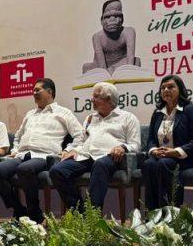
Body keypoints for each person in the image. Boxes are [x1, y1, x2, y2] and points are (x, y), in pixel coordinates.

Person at [0, 78, 84, 223]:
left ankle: (34, 213)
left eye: (37, 90)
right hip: (22, 155)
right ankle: (20, 210)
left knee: (25, 169)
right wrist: (15, 149)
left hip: (44, 156)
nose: (34, 93)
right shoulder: (30, 114)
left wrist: (69, 149)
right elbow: (17, 136)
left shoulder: (64, 113)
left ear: (49, 92)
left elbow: (80, 135)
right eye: (33, 90)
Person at [49, 81, 141, 212]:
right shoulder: (90, 118)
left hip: (109, 157)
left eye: (96, 96)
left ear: (108, 99)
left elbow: (136, 145)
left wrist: (123, 147)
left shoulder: (128, 118)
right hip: (86, 156)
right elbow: (80, 141)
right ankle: (81, 212)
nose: (92, 99)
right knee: (57, 171)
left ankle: (93, 214)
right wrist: (70, 149)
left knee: (100, 164)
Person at [142, 75, 193, 209]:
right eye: (163, 88)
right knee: (148, 164)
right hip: (161, 156)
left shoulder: (190, 110)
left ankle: (170, 213)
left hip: (183, 159)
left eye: (170, 87)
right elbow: (151, 139)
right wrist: (154, 150)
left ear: (180, 90)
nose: (166, 90)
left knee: (164, 163)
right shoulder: (158, 113)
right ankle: (151, 215)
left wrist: (175, 152)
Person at [83, 0, 140, 74]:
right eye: (108, 17)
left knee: (136, 62)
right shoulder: (97, 37)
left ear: (122, 19)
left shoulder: (128, 32)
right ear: (101, 20)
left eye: (116, 16)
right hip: (101, 65)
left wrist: (127, 70)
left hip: (122, 63)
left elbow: (130, 63)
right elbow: (102, 65)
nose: (112, 20)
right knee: (87, 68)